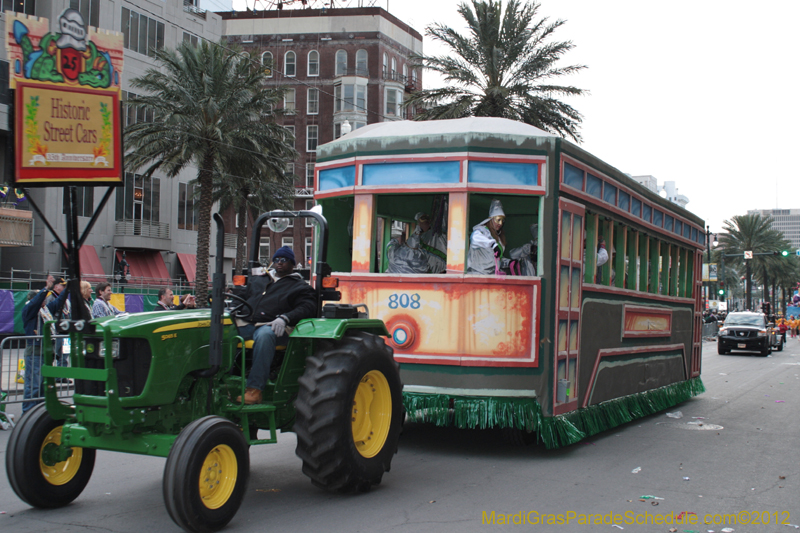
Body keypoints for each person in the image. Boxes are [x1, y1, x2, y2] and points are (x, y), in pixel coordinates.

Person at [236, 246, 317, 404]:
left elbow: (307, 308)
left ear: (292, 264)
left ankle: (254, 389)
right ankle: (222, 377)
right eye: (277, 260)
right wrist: (234, 310)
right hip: (250, 322)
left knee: (265, 336)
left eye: (284, 260)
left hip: (276, 326)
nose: (279, 263)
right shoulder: (259, 280)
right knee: (224, 332)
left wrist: (285, 318)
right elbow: (240, 296)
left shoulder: (299, 286)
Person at [21, 275, 67, 414]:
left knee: (43, 385)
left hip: (46, 351)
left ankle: (39, 412)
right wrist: (46, 288)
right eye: (42, 297)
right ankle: (28, 413)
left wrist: (70, 286)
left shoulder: (46, 310)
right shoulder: (29, 310)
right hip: (35, 351)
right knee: (33, 384)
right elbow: (36, 303)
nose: (45, 299)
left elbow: (59, 301)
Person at [467, 199, 508, 275]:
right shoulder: (481, 231)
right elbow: (474, 237)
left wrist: (509, 262)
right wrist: (493, 244)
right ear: (491, 220)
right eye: (498, 220)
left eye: (503, 221)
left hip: (491, 276)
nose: (500, 223)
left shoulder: (498, 238)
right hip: (477, 275)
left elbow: (495, 259)